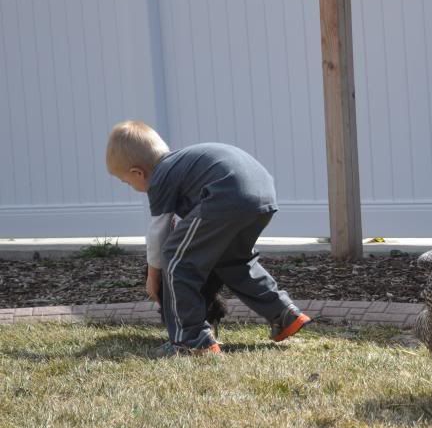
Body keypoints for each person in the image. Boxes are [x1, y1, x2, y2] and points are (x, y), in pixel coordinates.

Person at [105, 121, 311, 356]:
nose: (131, 186)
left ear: (137, 172)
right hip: (262, 193)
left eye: (127, 182)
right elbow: (191, 228)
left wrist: (153, 276)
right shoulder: (185, 165)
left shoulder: (161, 176)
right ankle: (283, 313)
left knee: (175, 259)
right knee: (233, 261)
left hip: (226, 195)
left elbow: (158, 233)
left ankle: (191, 340)